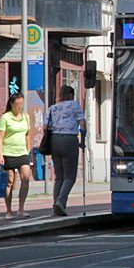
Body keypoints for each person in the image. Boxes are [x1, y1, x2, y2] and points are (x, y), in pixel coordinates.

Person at [46, 85, 85, 216]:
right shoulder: (74, 105)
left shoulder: (53, 108)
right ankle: (61, 202)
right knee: (70, 176)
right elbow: (82, 122)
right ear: (71, 95)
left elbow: (45, 126)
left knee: (59, 177)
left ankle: (55, 206)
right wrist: (82, 139)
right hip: (69, 140)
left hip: (55, 141)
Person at [0, 93, 32, 220]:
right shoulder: (5, 117)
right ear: (11, 104)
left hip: (22, 152)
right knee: (9, 182)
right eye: (17, 104)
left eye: (21, 104)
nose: (19, 106)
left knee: (25, 179)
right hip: (8, 153)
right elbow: (0, 137)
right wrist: (1, 154)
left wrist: (28, 149)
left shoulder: (26, 117)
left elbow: (27, 134)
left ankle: (21, 208)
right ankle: (8, 210)